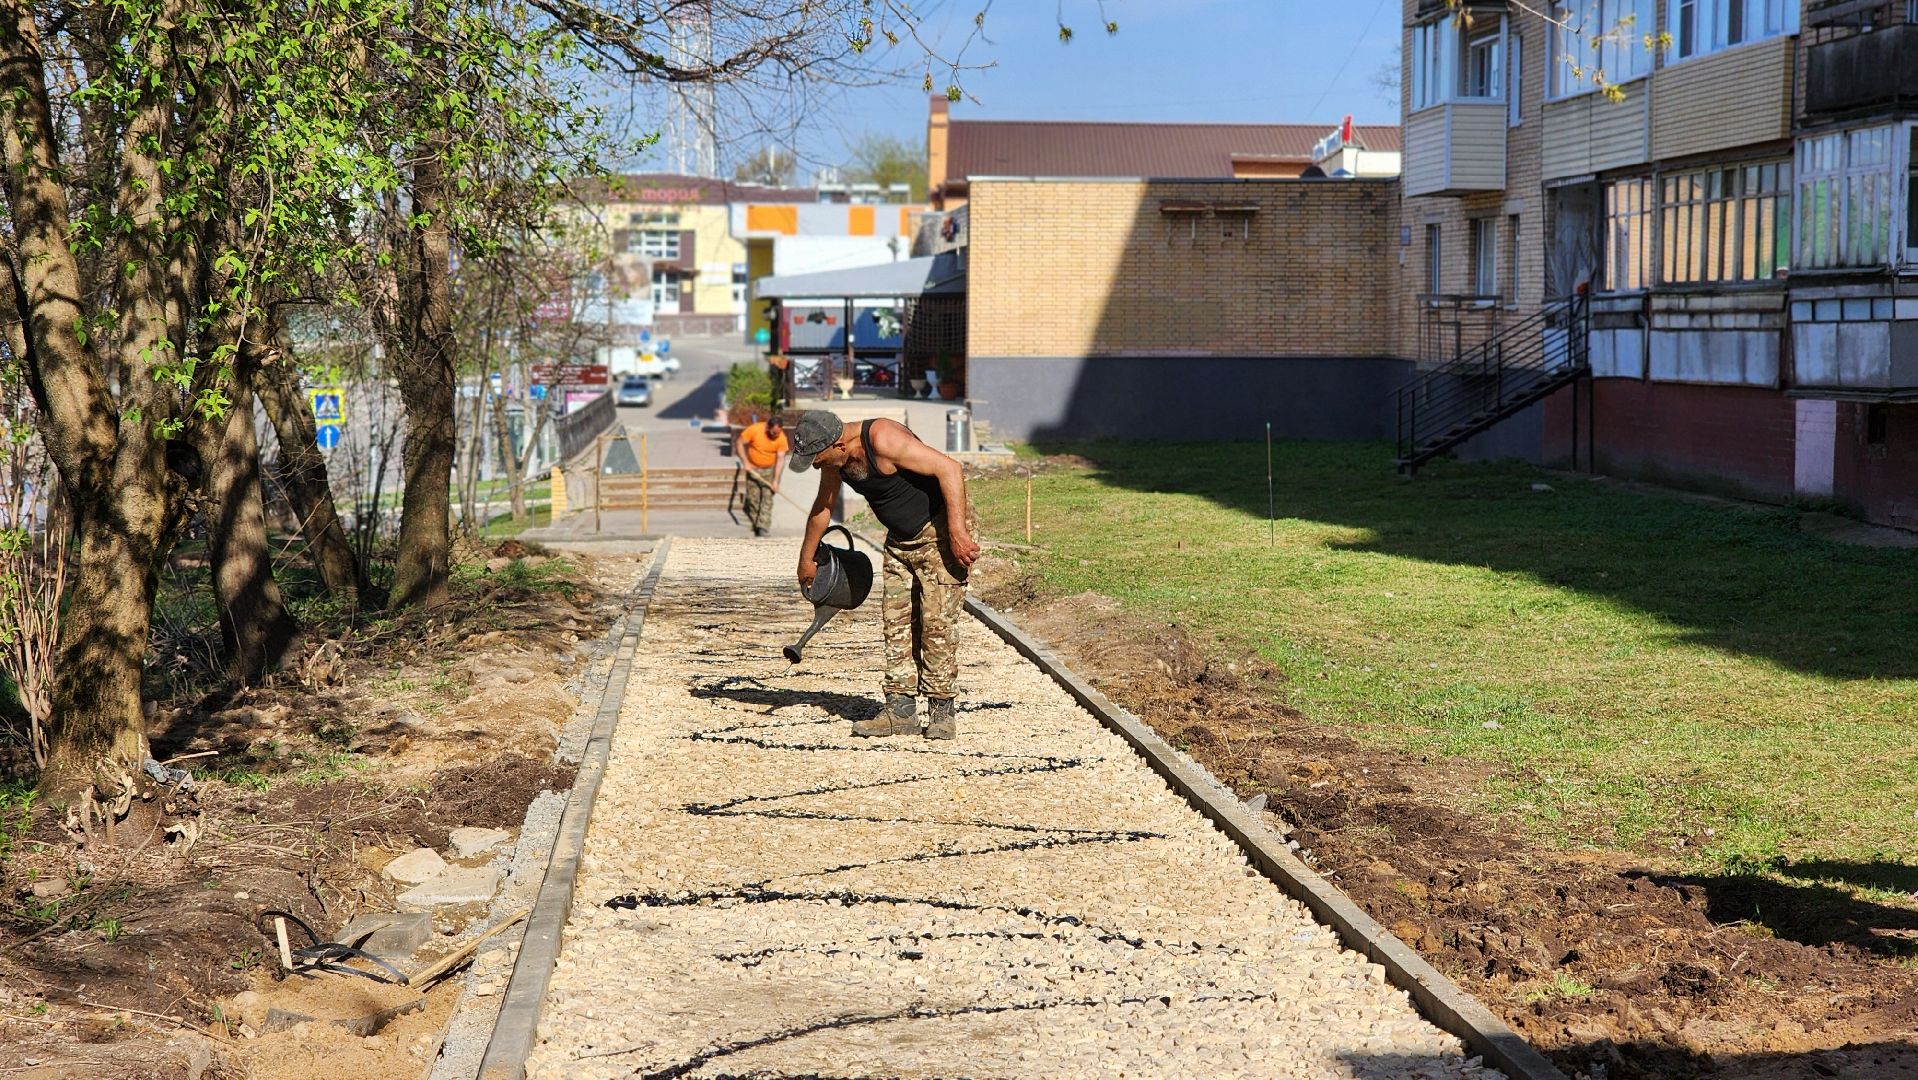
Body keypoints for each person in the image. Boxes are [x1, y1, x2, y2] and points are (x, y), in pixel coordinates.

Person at [788, 410, 980, 739]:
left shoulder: (883, 439)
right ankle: (900, 711)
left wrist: (958, 531)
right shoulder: (837, 460)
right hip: (900, 542)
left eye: (817, 459)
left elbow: (950, 469)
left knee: (936, 625)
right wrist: (806, 559)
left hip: (941, 537)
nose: (817, 466)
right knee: (897, 623)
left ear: (837, 445)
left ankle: (941, 711)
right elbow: (823, 506)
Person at [733, 415, 788, 536]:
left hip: (769, 471)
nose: (775, 436)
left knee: (767, 499)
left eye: (778, 433)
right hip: (753, 469)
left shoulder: (781, 438)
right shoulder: (755, 430)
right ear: (767, 427)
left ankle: (763, 527)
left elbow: (780, 460)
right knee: (753, 499)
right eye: (773, 433)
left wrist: (776, 481)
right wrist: (745, 462)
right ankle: (755, 522)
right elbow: (739, 443)